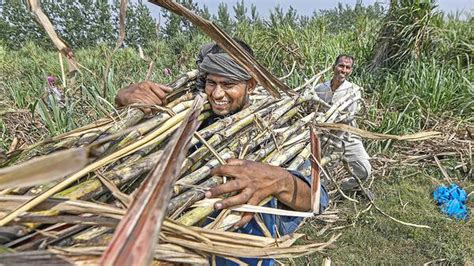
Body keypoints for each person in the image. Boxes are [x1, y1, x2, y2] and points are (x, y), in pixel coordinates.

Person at [115, 41, 329, 265]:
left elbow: (317, 200)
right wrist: (123, 100)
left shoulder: (277, 131)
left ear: (252, 85)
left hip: (245, 257)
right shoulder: (187, 122)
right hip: (182, 253)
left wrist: (279, 180)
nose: (217, 93)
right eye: (211, 83)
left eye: (228, 83)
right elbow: (127, 145)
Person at [310, 54, 371, 191]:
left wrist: (334, 140)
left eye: (347, 67)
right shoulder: (320, 88)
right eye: (341, 66)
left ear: (350, 71)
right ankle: (323, 193)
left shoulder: (353, 91)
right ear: (334, 67)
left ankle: (342, 187)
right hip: (324, 136)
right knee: (322, 173)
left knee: (364, 171)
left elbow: (348, 118)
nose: (343, 70)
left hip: (348, 136)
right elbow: (311, 110)